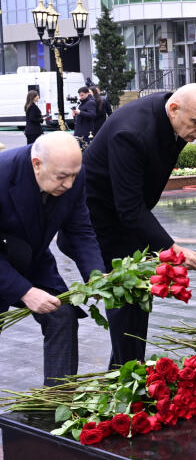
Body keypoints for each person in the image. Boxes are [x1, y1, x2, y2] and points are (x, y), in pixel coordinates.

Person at [76, 84, 196, 367]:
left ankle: (127, 373)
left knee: (138, 300)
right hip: (97, 223)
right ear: (175, 110)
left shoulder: (171, 118)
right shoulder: (132, 132)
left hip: (125, 218)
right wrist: (172, 249)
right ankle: (125, 381)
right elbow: (128, 209)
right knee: (125, 301)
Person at [0, 132, 106, 386]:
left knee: (62, 315)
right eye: (62, 177)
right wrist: (25, 291)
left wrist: (96, 274)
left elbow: (80, 228)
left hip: (32, 258)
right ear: (37, 164)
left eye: (74, 175)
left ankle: (57, 401)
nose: (69, 184)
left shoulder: (70, 174)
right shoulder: (3, 174)